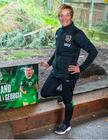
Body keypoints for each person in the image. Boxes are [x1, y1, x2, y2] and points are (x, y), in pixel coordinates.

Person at [40, 4, 98, 135]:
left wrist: (81, 67)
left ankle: (66, 124)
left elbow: (93, 51)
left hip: (69, 74)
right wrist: (49, 63)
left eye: (67, 15)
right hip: (56, 72)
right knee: (45, 92)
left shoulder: (77, 34)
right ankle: (61, 94)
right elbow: (58, 51)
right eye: (61, 15)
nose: (63, 18)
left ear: (71, 16)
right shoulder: (59, 32)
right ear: (58, 16)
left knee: (68, 101)